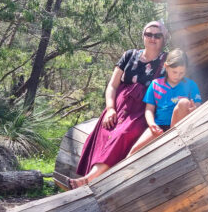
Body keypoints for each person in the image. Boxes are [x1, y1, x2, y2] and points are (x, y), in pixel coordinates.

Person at [69, 21, 168, 189]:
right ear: (143, 36)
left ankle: (88, 180)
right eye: (148, 34)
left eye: (157, 35)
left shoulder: (166, 61)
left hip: (142, 110)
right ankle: (94, 179)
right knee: (105, 131)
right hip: (119, 107)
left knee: (123, 134)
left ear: (164, 38)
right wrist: (110, 108)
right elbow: (113, 85)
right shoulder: (129, 55)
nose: (152, 38)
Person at [128, 50, 202, 156]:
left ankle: (173, 139)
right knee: (133, 152)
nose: (177, 76)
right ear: (166, 67)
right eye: (174, 72)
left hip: (180, 126)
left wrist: (195, 109)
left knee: (184, 102)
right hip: (159, 126)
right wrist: (152, 124)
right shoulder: (155, 85)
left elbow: (198, 105)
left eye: (181, 73)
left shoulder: (191, 85)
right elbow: (149, 110)